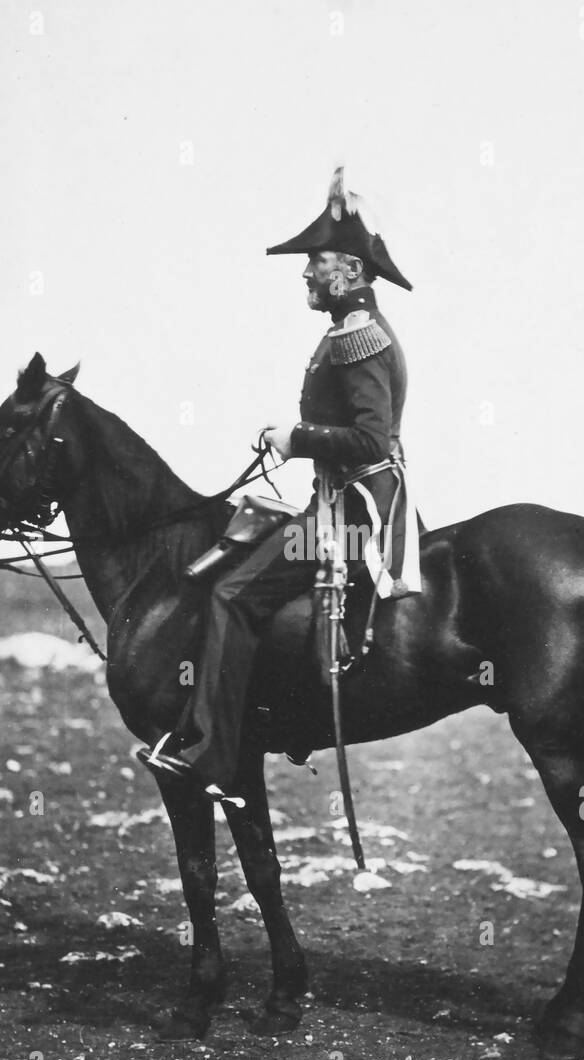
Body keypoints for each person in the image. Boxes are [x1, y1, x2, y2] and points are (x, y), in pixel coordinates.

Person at [142, 166, 420, 790]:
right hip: (337, 500)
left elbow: (372, 439)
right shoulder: (345, 333)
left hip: (358, 513)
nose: (305, 273)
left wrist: (296, 439)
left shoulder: (361, 338)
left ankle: (214, 752)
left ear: (349, 269)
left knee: (232, 593)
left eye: (315, 262)